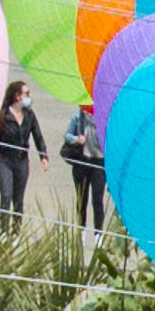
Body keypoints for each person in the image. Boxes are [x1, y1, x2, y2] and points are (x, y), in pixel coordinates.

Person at [0, 81, 47, 230]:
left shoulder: (29, 115)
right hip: (4, 160)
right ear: (17, 96)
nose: (28, 97)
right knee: (6, 195)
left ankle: (16, 230)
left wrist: (43, 156)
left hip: (21, 161)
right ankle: (3, 230)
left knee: (18, 199)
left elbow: (38, 136)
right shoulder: (4, 115)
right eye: (26, 94)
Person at [63, 103, 107, 252]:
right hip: (82, 162)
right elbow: (67, 135)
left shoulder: (105, 117)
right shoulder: (79, 116)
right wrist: (77, 139)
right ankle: (81, 231)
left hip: (99, 162)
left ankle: (98, 235)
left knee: (97, 200)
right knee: (82, 199)